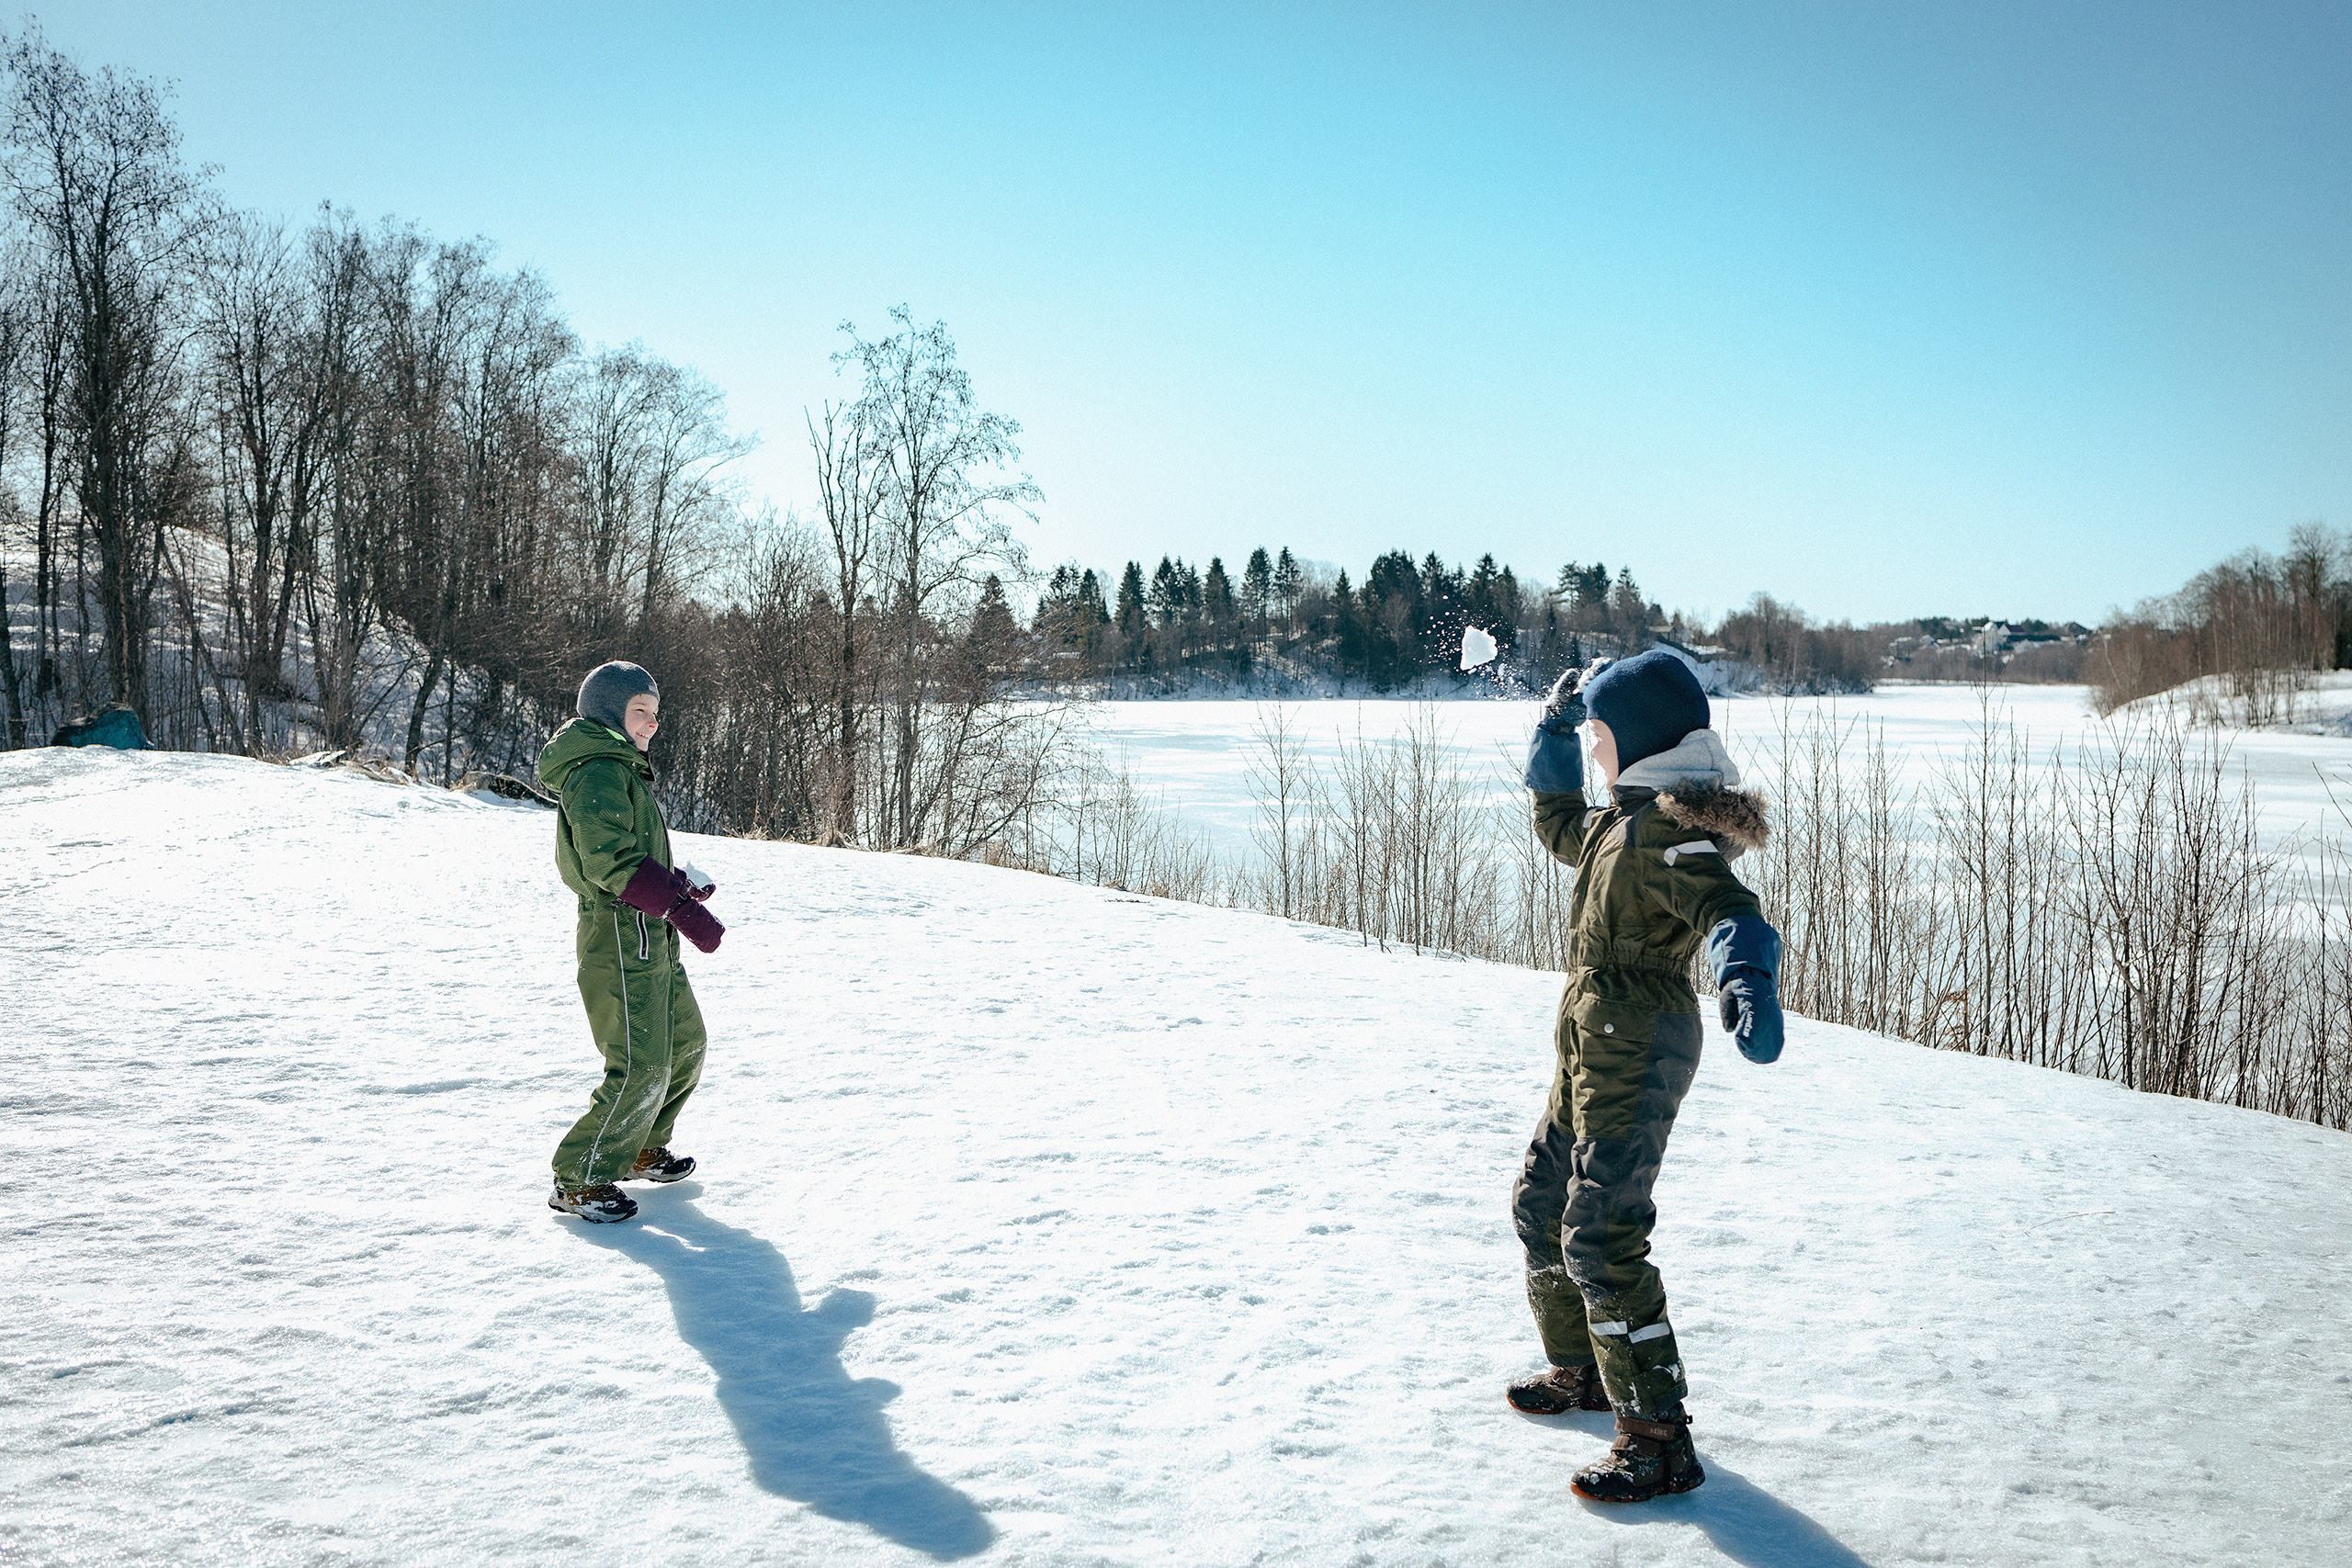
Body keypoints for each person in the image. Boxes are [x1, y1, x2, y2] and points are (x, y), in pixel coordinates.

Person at [1507, 648, 1785, 1503]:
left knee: (1602, 1233)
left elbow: (1728, 908)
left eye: (1596, 735)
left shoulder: (1670, 832)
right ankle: (1585, 1372)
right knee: (1541, 1204)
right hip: (1590, 1046)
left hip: (1641, 1045)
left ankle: (1658, 1437)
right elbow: (1557, 819)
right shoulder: (1619, 820)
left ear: (1636, 740)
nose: (1591, 749)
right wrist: (1551, 732)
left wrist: (1747, 974)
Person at [536, 660, 726, 1223]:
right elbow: (607, 859)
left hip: (649, 933)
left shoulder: (622, 768)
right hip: (618, 937)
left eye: (656, 713)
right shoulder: (595, 769)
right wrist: (680, 907)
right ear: (608, 711)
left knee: (684, 1046)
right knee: (641, 1064)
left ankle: (638, 1144)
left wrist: (678, 887)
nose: (651, 724)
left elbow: (634, 856)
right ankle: (580, 1178)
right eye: (640, 711)